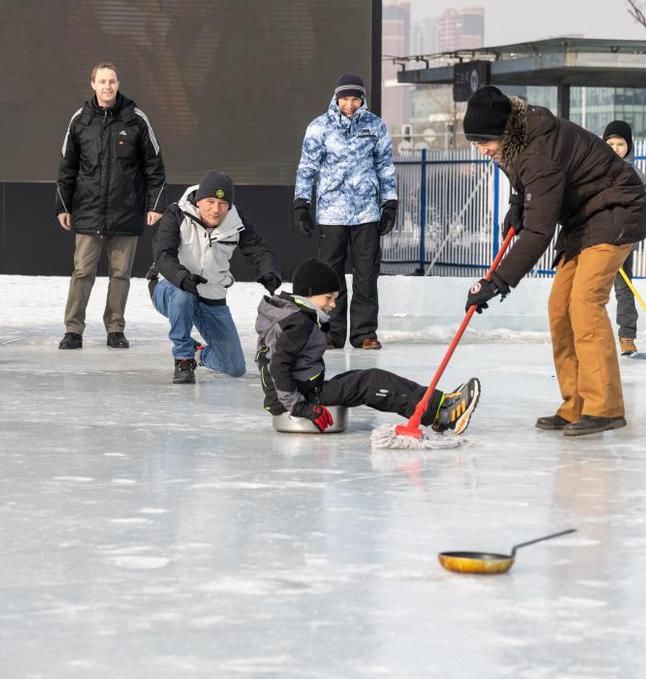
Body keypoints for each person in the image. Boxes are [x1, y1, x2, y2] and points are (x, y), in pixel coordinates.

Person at [462, 86, 646, 437]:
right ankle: (575, 404)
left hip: (617, 210)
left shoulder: (537, 152)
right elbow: (528, 185)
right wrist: (517, 204)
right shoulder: (517, 142)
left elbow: (539, 232)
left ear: (504, 131)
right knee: (559, 308)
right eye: (475, 144)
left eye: (484, 141)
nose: (482, 150)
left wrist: (498, 281)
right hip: (583, 218)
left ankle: (604, 407)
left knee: (585, 302)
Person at [255, 258, 480, 433]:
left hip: (299, 392)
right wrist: (299, 407)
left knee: (363, 376)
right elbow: (278, 367)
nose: (333, 305)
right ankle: (442, 412)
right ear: (309, 294)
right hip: (298, 399)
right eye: (329, 298)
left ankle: (436, 406)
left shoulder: (292, 314)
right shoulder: (299, 322)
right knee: (372, 382)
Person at [55, 62, 166, 350]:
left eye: (112, 81)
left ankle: (115, 328)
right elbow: (67, 167)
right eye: (102, 81)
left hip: (126, 211)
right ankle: (73, 330)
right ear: (92, 84)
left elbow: (154, 166)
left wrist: (154, 205)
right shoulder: (80, 119)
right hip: (88, 211)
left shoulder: (136, 119)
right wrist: (63, 206)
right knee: (82, 273)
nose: (107, 86)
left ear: (118, 84)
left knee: (120, 274)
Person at [293, 73, 397, 350]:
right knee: (331, 275)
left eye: (354, 99)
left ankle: (364, 333)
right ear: (336, 98)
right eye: (344, 99)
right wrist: (301, 203)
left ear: (362, 99)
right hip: (331, 213)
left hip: (366, 213)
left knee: (366, 274)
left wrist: (390, 202)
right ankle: (330, 332)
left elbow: (385, 166)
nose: (349, 105)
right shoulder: (319, 127)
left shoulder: (375, 126)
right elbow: (307, 168)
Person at [147, 171, 281, 383]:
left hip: (210, 296)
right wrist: (181, 277)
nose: (216, 209)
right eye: (210, 201)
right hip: (170, 288)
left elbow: (258, 249)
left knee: (234, 367)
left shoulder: (237, 222)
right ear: (199, 200)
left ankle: (197, 353)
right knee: (184, 296)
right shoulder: (176, 214)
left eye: (222, 203)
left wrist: (268, 270)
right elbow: (163, 255)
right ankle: (183, 358)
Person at [603, 120, 642, 356]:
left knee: (624, 289)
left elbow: (636, 210)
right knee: (591, 289)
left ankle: (627, 336)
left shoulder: (634, 173)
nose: (615, 148)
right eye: (610, 143)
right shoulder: (594, 170)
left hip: (624, 240)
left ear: (629, 146)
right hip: (597, 239)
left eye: (620, 143)